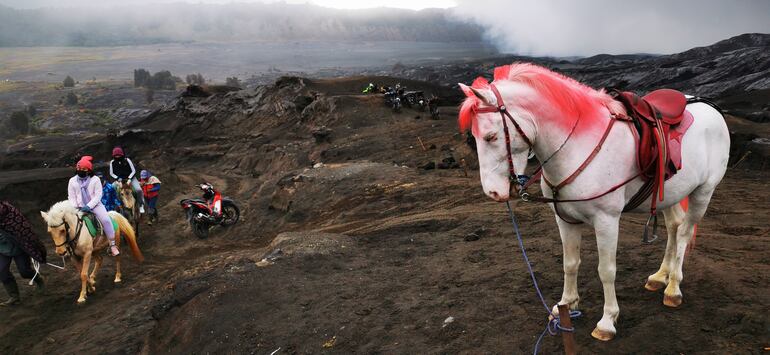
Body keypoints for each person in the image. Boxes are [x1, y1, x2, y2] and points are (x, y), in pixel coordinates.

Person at [69, 156, 120, 256]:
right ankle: (68, 246)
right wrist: (75, 207)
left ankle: (113, 245)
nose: (80, 171)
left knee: (105, 220)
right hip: (78, 207)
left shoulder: (95, 179)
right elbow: (71, 196)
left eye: (83, 169)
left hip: (95, 205)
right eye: (79, 169)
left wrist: (89, 206)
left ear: (89, 170)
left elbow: (98, 195)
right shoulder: (72, 181)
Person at [0, 201, 47, 306]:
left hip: (18, 245)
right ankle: (14, 297)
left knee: (24, 271)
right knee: (2, 271)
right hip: (2, 247)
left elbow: (22, 227)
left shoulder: (8, 211)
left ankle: (38, 279)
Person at [108, 146, 145, 214]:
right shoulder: (112, 162)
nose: (117, 156)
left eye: (119, 155)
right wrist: (118, 178)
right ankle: (116, 205)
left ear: (122, 154)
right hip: (119, 179)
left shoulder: (127, 160)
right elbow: (111, 173)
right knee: (111, 188)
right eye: (116, 155)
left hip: (131, 178)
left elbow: (133, 170)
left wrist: (129, 179)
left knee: (138, 190)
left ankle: (141, 204)